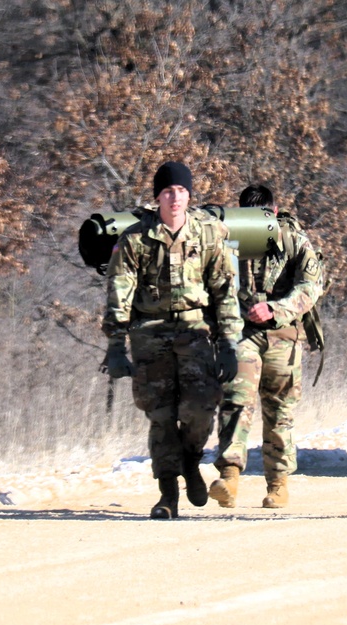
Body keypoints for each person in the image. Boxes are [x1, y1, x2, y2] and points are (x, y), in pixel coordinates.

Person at [102, 161, 241, 520]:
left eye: (180, 191)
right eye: (167, 191)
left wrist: (228, 344)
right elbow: (120, 294)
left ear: (189, 195)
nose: (174, 197)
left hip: (195, 333)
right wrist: (116, 345)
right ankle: (168, 494)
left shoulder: (208, 234)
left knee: (199, 410)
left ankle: (192, 462)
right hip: (150, 335)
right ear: (157, 197)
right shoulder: (135, 239)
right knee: (161, 416)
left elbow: (225, 291)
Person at [208, 184, 324, 509]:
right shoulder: (231, 238)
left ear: (275, 212)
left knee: (279, 411)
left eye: (264, 216)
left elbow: (311, 286)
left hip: (283, 334)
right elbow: (214, 279)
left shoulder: (293, 239)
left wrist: (277, 309)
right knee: (236, 398)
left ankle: (278, 485)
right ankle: (229, 476)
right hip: (243, 332)